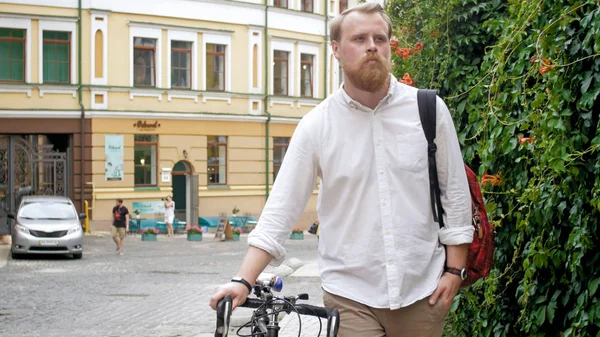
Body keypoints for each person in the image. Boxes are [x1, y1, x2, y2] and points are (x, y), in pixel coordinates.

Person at [209, 4, 473, 336]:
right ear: (335, 49)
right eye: (359, 38)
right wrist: (242, 280)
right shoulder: (316, 125)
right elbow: (281, 209)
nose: (372, 46)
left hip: (421, 292)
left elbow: (455, 195)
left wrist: (454, 271)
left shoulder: (429, 110)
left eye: (380, 37)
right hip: (350, 296)